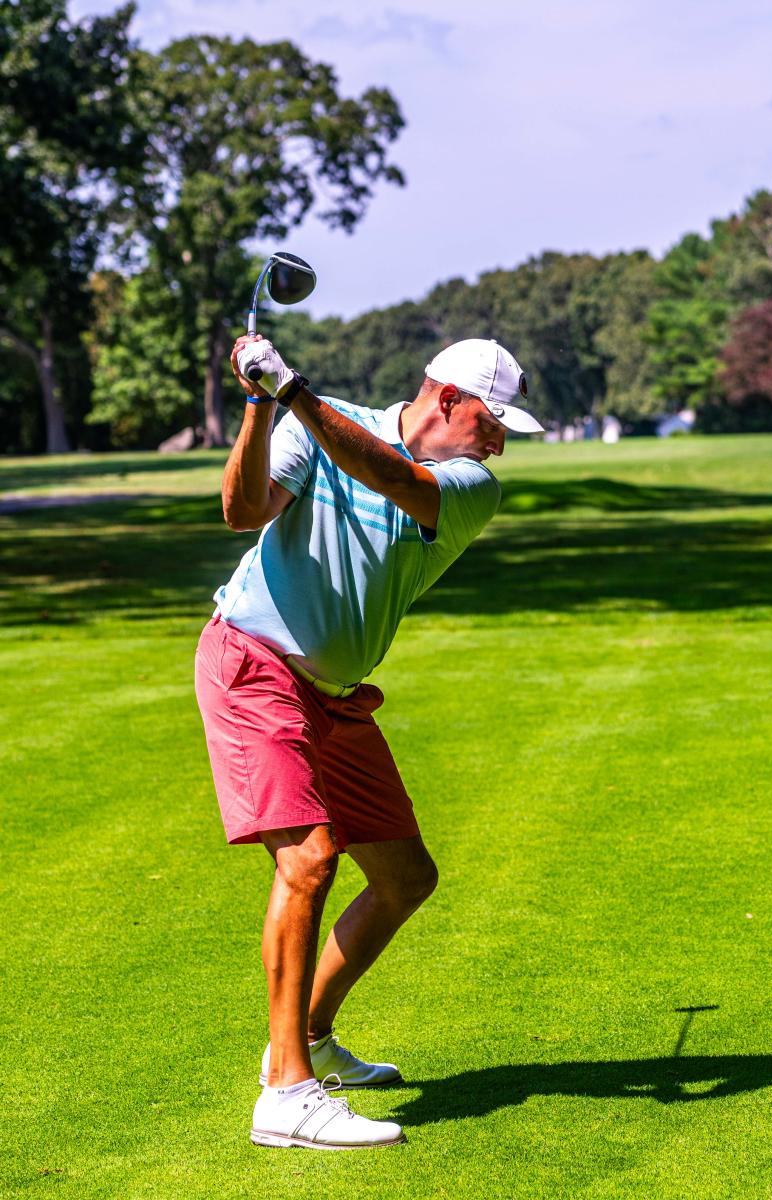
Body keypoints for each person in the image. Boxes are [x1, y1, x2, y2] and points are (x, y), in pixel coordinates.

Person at [194, 335, 543, 1151]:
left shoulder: (468, 486)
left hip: (337, 699)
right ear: (446, 397)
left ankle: (308, 1036)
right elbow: (243, 514)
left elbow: (390, 475)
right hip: (253, 663)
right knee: (309, 859)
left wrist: (294, 393)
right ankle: (285, 1093)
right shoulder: (311, 419)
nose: (498, 442)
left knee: (403, 875)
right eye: (492, 421)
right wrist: (257, 403)